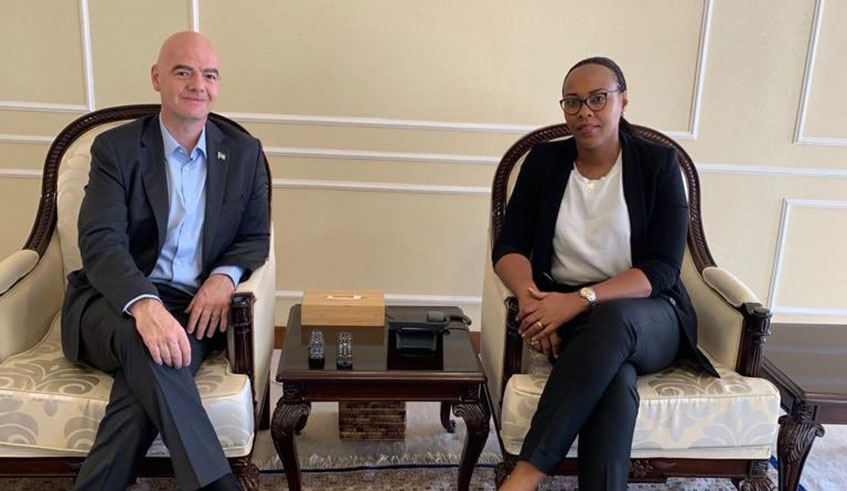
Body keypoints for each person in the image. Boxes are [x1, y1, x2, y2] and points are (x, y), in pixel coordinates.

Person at [493, 57, 718, 491]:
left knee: (613, 319)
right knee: (614, 380)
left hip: (652, 315)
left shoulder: (658, 164)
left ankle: (523, 478)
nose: (585, 112)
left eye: (598, 99)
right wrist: (532, 301)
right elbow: (510, 247)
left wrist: (580, 299)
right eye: (573, 102)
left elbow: (662, 268)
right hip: (571, 320)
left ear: (623, 101)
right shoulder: (544, 163)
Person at [61, 32, 269, 490]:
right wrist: (144, 305)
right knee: (148, 345)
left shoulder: (244, 153)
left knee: (147, 376)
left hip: (191, 310)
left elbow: (255, 237)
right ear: (157, 78)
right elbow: (100, 242)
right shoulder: (116, 149)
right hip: (110, 301)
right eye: (183, 72)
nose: (198, 85)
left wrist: (224, 276)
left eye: (209, 75)